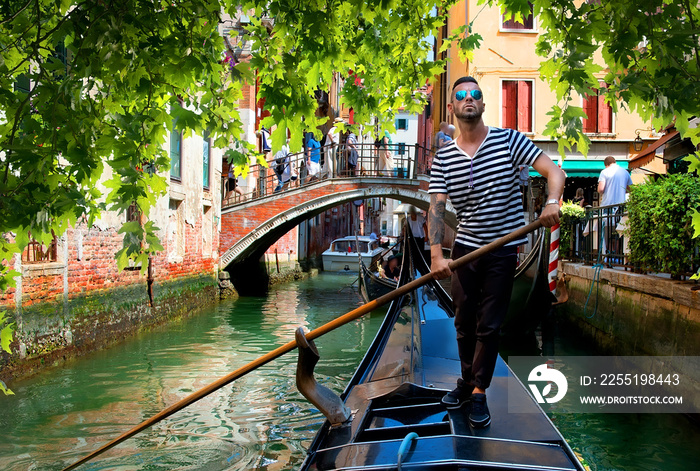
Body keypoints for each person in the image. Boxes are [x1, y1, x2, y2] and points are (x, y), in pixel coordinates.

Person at [428, 76, 564, 428]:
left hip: (503, 248)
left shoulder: (509, 140)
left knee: (489, 325)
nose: (469, 99)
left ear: (483, 105)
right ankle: (465, 378)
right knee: (462, 321)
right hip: (466, 250)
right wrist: (436, 256)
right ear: (452, 107)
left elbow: (554, 172)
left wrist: (552, 201)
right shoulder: (444, 158)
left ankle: (478, 392)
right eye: (461, 95)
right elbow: (436, 209)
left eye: (475, 94)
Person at [598, 156, 632, 258]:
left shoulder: (605, 172)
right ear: (614, 162)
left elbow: (601, 189)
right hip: (620, 208)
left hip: (607, 207)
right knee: (618, 233)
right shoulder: (625, 172)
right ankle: (617, 255)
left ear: (606, 164)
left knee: (606, 235)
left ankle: (607, 256)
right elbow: (630, 189)